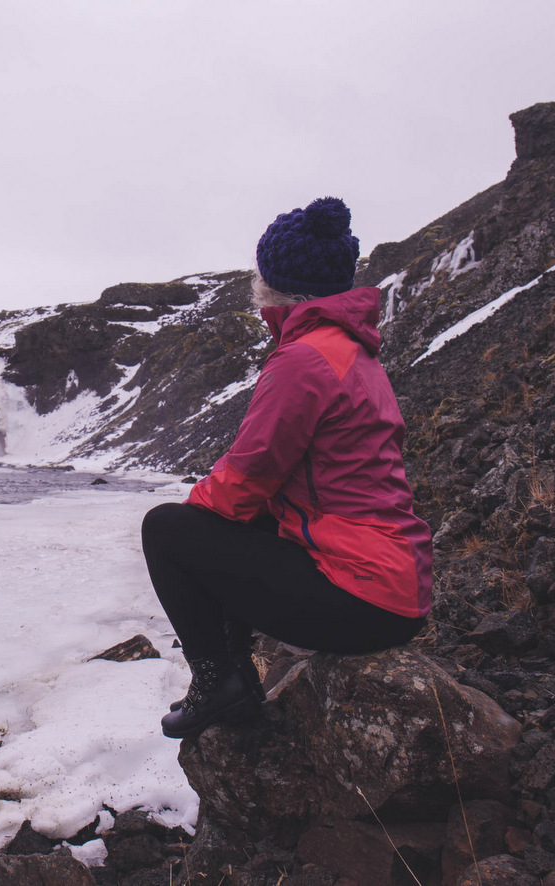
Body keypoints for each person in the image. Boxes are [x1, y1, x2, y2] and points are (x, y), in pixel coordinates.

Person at [142, 196, 432, 740]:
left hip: (364, 595)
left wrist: (190, 532)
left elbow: (246, 480)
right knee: (234, 527)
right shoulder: (350, 349)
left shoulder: (304, 359)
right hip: (396, 585)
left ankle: (219, 683)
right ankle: (233, 674)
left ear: (272, 284)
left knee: (166, 531)